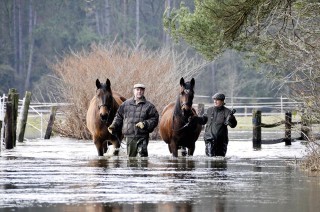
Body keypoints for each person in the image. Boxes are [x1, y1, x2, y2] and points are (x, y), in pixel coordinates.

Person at [108, 83, 159, 157]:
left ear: (143, 91)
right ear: (134, 91)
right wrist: (113, 126)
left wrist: (145, 124)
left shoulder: (149, 106)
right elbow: (118, 116)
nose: (139, 91)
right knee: (131, 160)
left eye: (141, 90)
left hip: (142, 136)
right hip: (129, 137)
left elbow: (155, 119)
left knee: (142, 159)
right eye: (137, 90)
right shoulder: (125, 104)